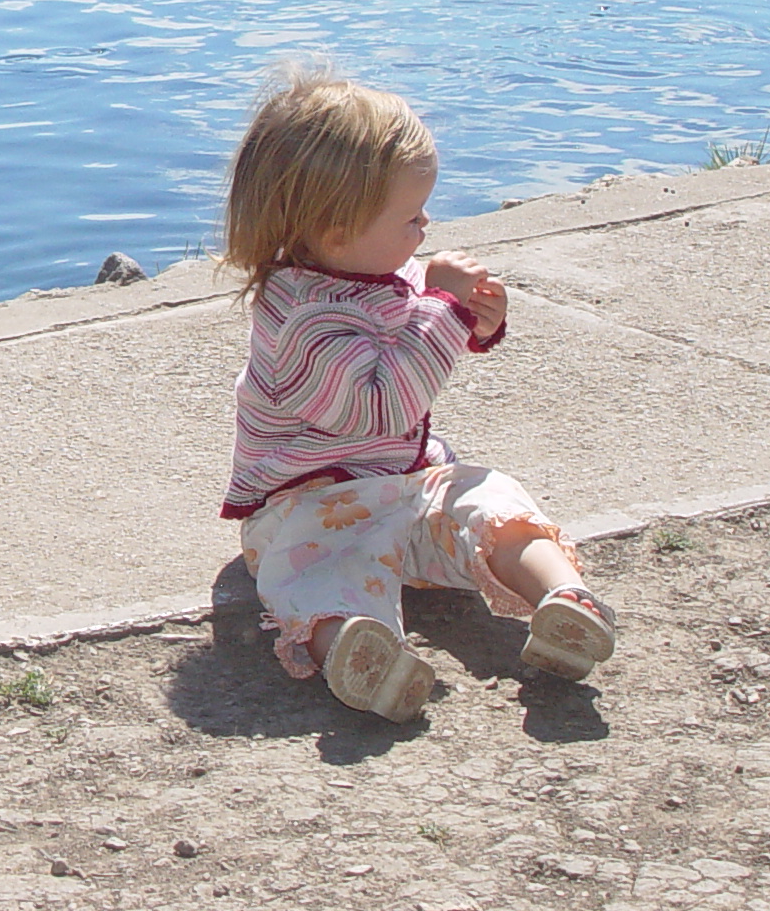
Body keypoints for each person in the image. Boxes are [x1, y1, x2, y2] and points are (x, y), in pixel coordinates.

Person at [218, 70, 614, 723]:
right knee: (305, 578)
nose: (425, 225)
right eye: (409, 217)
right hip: (305, 506)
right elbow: (386, 404)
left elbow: (415, 327)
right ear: (338, 231)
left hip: (406, 486)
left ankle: (563, 599)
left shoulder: (370, 269)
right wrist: (447, 312)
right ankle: (349, 646)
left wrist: (479, 321)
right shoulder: (300, 322)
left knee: (489, 497)